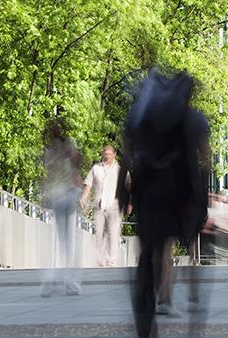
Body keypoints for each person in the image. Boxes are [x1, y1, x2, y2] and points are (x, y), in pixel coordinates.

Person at [124, 69, 210, 338]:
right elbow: (205, 160)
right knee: (174, 250)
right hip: (181, 196)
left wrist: (122, 193)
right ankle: (177, 303)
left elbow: (127, 155)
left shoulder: (143, 117)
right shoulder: (195, 119)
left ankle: (147, 319)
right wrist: (203, 196)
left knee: (148, 255)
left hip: (148, 194)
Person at [40, 120, 84, 297]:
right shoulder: (67, 146)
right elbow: (78, 161)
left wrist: (45, 194)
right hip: (67, 194)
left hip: (58, 195)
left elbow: (49, 174)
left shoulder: (50, 151)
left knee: (59, 239)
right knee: (69, 239)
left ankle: (52, 282)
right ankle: (70, 282)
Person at [80, 144, 124, 267]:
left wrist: (129, 202)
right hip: (99, 205)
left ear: (114, 154)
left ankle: (111, 260)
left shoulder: (120, 170)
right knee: (99, 233)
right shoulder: (96, 168)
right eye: (105, 153)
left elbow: (128, 186)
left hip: (114, 205)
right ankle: (100, 259)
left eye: (110, 153)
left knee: (112, 233)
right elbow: (88, 184)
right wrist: (84, 197)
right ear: (102, 153)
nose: (107, 155)